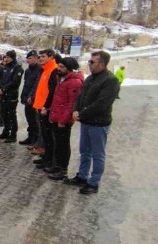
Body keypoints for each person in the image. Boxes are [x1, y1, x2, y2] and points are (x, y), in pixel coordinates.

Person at [64, 51, 120, 194]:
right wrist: (75, 110)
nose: (89, 64)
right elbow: (80, 96)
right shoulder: (90, 78)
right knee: (85, 151)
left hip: (99, 124)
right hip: (86, 122)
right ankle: (82, 176)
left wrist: (81, 113)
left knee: (97, 154)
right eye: (89, 61)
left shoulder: (110, 80)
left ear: (101, 64)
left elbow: (101, 103)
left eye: (92, 62)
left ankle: (93, 182)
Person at [46, 57, 84, 180]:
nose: (59, 68)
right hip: (56, 116)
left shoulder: (74, 82)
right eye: (59, 66)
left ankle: (63, 169)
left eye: (62, 67)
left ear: (69, 69)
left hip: (64, 120)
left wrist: (63, 120)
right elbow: (57, 98)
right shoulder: (61, 79)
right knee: (57, 142)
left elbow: (72, 103)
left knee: (63, 144)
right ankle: (57, 165)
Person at [32, 49, 60, 172]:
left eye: (43, 56)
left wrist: (46, 106)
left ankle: (50, 160)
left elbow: (52, 92)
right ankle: (45, 157)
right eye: (40, 56)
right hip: (40, 106)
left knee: (49, 136)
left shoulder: (54, 70)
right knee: (45, 134)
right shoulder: (45, 69)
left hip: (46, 108)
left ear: (51, 57)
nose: (41, 59)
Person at [0, 50, 24, 142]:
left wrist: (3, 89)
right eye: (5, 57)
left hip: (11, 95)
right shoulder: (5, 67)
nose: (6, 59)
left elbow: (14, 82)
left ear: (12, 58)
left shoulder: (18, 68)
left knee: (11, 115)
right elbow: (1, 80)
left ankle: (13, 135)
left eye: (8, 57)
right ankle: (6, 131)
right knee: (4, 114)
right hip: (3, 95)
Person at [19, 50, 40, 145]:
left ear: (36, 58)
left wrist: (32, 96)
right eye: (27, 58)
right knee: (29, 120)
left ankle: (35, 139)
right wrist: (23, 96)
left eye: (30, 58)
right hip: (27, 98)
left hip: (34, 99)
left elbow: (36, 85)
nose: (28, 60)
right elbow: (26, 84)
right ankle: (30, 136)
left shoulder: (39, 70)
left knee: (34, 121)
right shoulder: (28, 71)